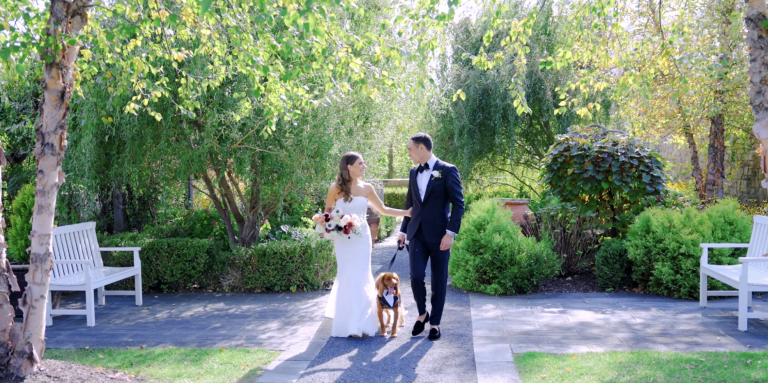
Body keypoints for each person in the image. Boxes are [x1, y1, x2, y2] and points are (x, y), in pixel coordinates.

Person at [324, 152, 411, 337]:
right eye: (361, 163)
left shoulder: (367, 188)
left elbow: (384, 209)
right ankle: (348, 322)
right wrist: (336, 225)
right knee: (346, 275)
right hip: (343, 240)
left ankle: (363, 321)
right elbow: (328, 215)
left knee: (362, 275)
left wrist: (406, 212)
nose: (364, 166)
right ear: (349, 167)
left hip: (362, 239)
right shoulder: (335, 188)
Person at [397, 133, 465, 341]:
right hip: (416, 233)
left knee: (439, 280)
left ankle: (435, 323)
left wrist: (450, 233)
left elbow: (458, 204)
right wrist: (402, 231)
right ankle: (422, 313)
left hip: (440, 236)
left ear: (421, 148)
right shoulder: (413, 172)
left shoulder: (448, 170)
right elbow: (410, 204)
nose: (408, 154)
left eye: (410, 149)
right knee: (416, 276)